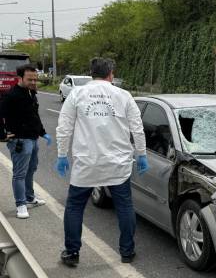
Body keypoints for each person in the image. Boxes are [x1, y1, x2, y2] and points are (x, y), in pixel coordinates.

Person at [55, 57, 149, 266]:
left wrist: (62, 155)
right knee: (124, 206)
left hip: (87, 163)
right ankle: (127, 252)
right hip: (118, 162)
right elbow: (137, 128)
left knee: (75, 207)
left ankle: (72, 253)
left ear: (92, 73)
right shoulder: (123, 95)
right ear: (111, 74)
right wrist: (141, 154)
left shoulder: (77, 94)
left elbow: (64, 128)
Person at [0, 64, 50, 219]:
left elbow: (34, 116)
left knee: (31, 169)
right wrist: (2, 135)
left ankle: (29, 197)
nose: (34, 82)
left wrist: (43, 133)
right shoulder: (11, 95)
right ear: (20, 78)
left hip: (33, 139)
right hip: (20, 141)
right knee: (20, 174)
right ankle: (21, 205)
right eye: (30, 79)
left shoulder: (31, 92)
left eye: (35, 79)